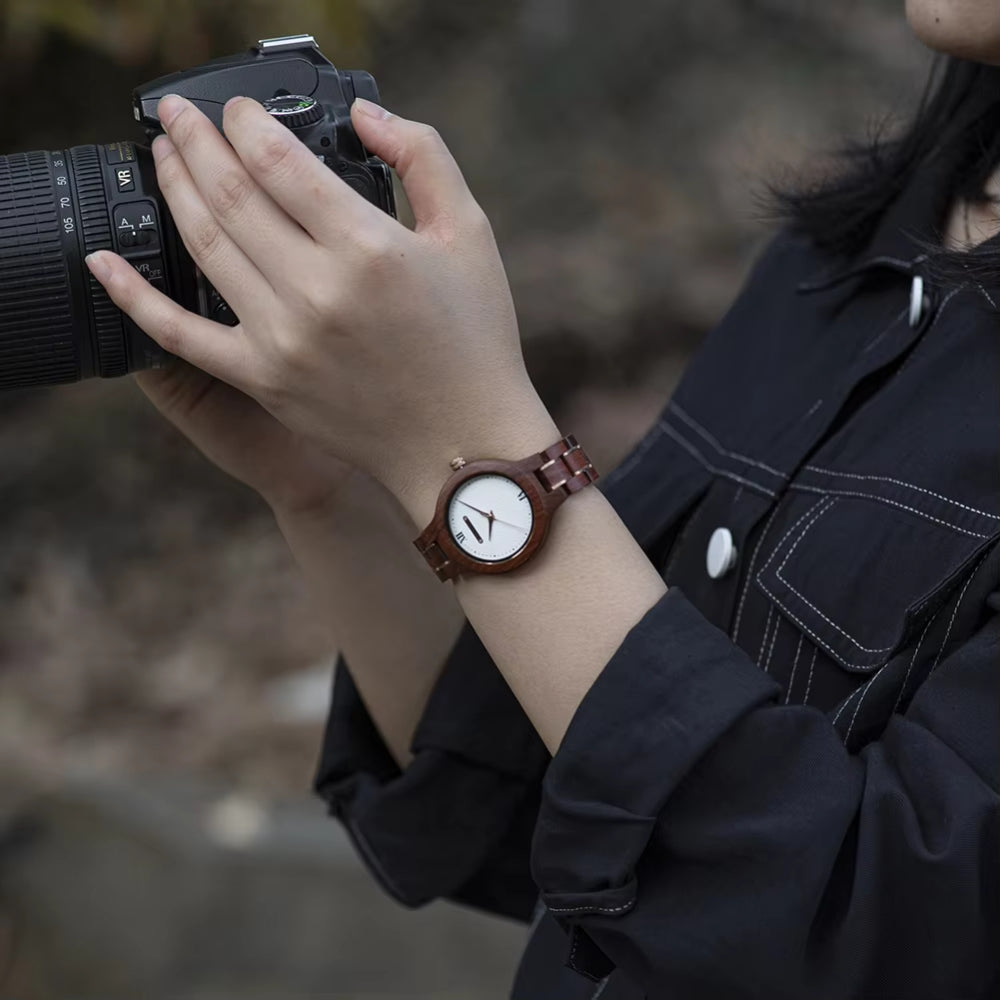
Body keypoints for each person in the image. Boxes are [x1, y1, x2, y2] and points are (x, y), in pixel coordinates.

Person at [86, 2, 999, 997]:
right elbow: (570, 810)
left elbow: (870, 931)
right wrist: (335, 480)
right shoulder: (865, 244)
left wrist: (468, 443)